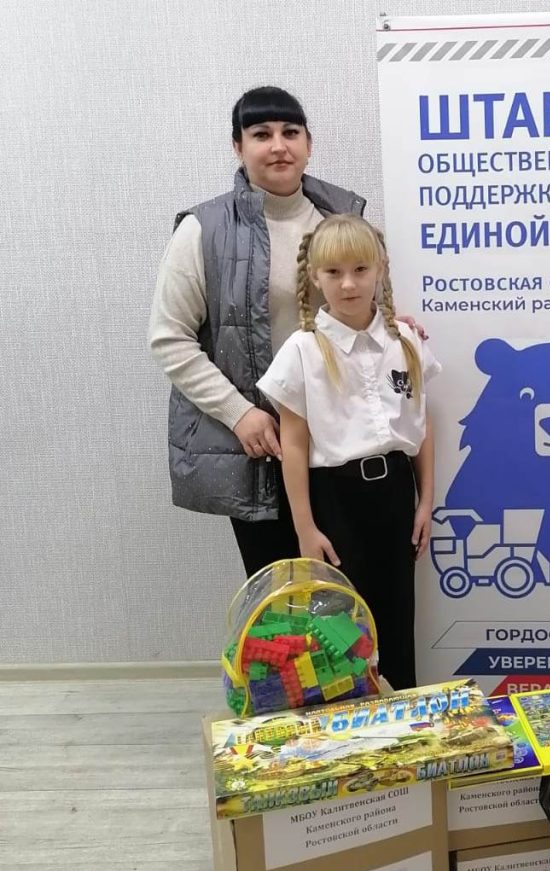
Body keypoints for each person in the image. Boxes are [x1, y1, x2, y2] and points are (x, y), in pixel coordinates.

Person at [150, 86, 418, 577]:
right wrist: (239, 415)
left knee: (353, 594)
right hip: (264, 444)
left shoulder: (341, 215)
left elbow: (358, 305)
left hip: (344, 443)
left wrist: (391, 326)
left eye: (290, 132)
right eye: (261, 134)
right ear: (238, 147)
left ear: (308, 144)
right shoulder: (203, 230)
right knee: (285, 598)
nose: (278, 146)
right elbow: (170, 339)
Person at [256, 214, 440, 690]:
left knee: (397, 615)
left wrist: (425, 501)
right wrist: (305, 528)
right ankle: (349, 717)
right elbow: (293, 443)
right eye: (334, 272)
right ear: (315, 278)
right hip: (335, 499)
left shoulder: (405, 342)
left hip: (396, 493)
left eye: (360, 269)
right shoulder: (302, 350)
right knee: (340, 629)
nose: (349, 283)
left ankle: (401, 713)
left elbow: (421, 426)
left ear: (380, 270)